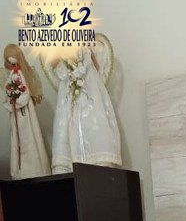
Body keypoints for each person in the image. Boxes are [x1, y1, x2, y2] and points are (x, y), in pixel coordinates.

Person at [51, 48, 121, 173]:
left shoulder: (85, 48)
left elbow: (96, 67)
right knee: (69, 127)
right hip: (69, 95)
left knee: (94, 124)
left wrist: (83, 68)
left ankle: (98, 157)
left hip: (90, 91)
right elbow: (58, 70)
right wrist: (71, 72)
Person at [3, 44, 50, 180]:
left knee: (28, 136)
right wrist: (11, 99)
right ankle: (20, 170)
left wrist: (16, 101)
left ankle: (32, 169)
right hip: (16, 113)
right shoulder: (12, 74)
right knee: (18, 137)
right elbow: (8, 90)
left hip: (24, 113)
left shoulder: (20, 74)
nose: (10, 59)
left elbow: (25, 93)